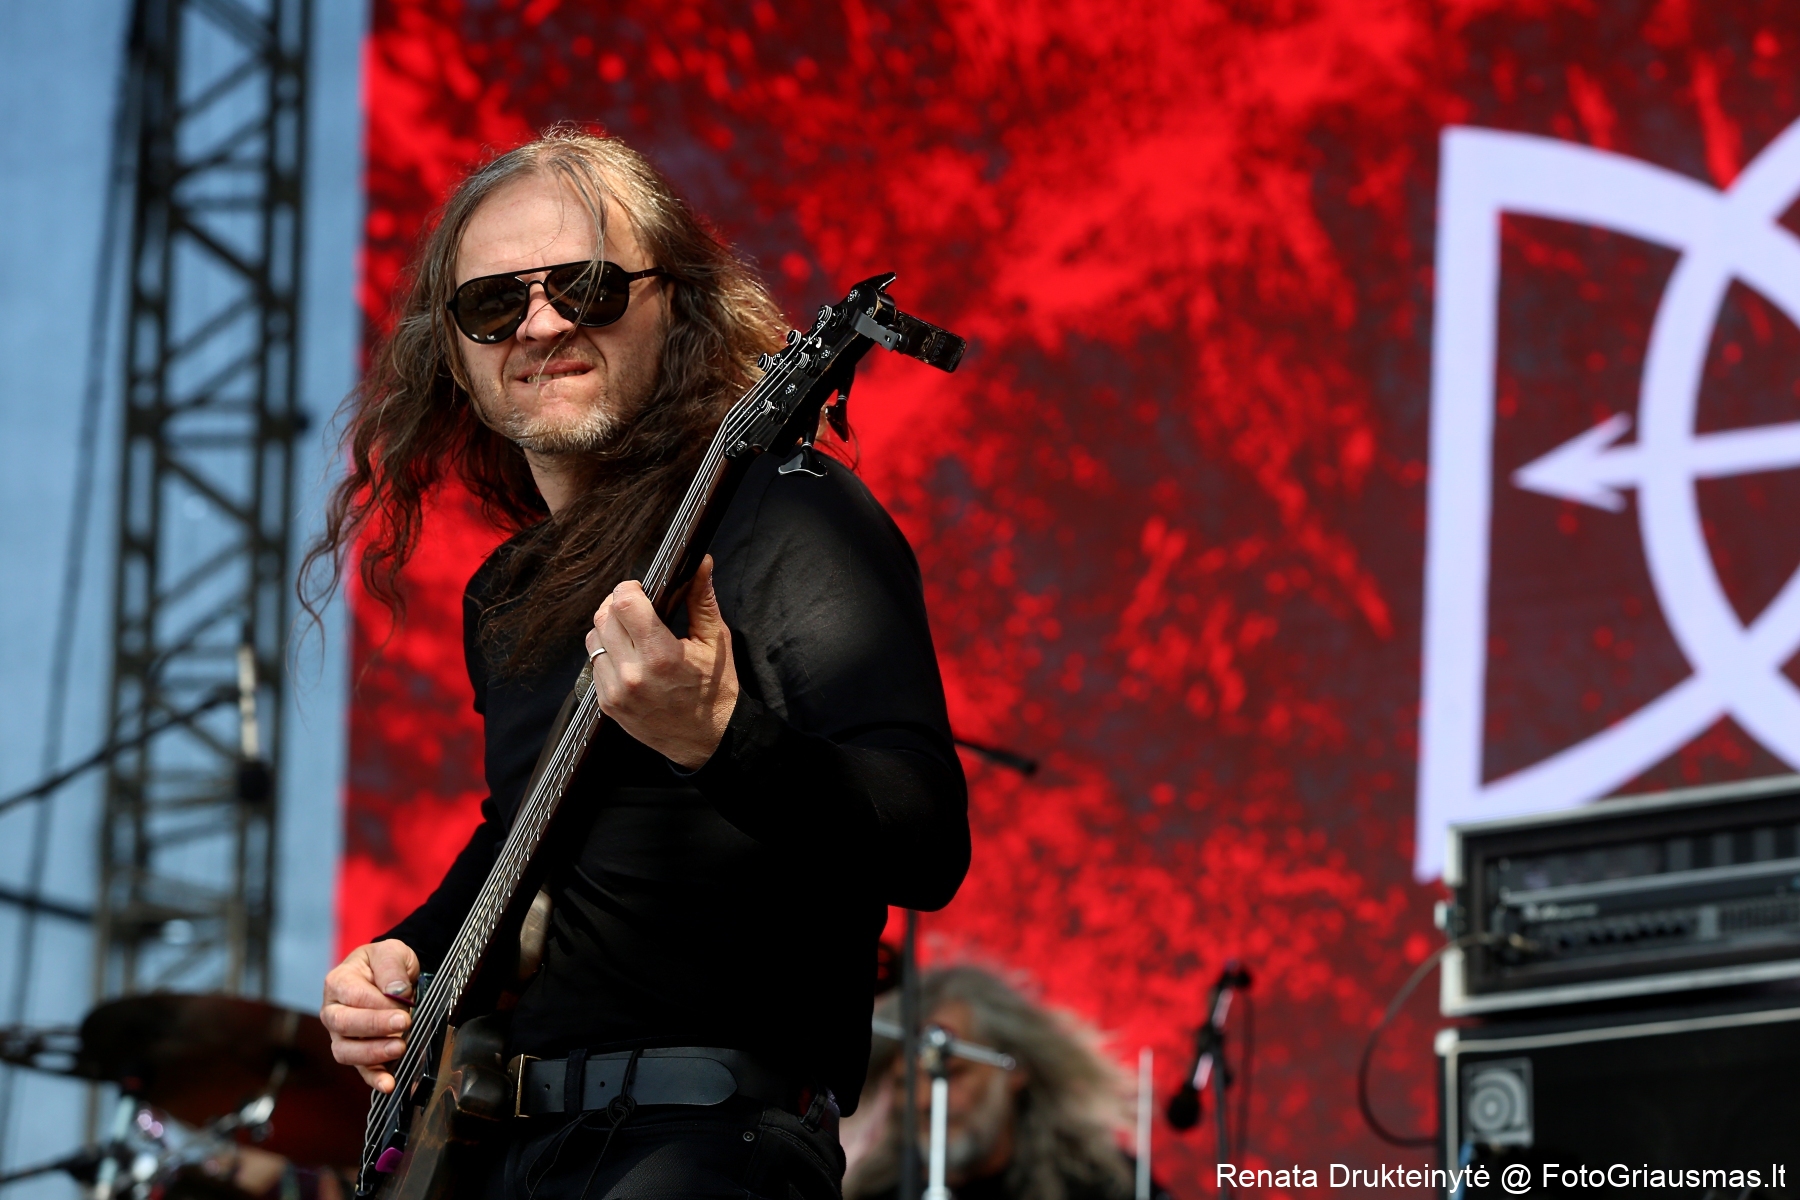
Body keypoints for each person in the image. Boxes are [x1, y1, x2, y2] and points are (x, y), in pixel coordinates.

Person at [305, 127, 971, 1200]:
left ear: (678, 305)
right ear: (456, 356)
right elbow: (525, 838)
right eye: (494, 305)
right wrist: (405, 960)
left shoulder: (791, 515)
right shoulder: (509, 590)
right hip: (510, 1152)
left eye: (588, 287)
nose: (542, 324)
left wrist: (719, 739)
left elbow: (926, 841)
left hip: (705, 1145)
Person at [845, 967, 1168, 1200]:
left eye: (950, 1073)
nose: (925, 1100)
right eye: (905, 1083)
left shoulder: (1105, 1185)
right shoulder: (870, 1193)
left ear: (1014, 1067)